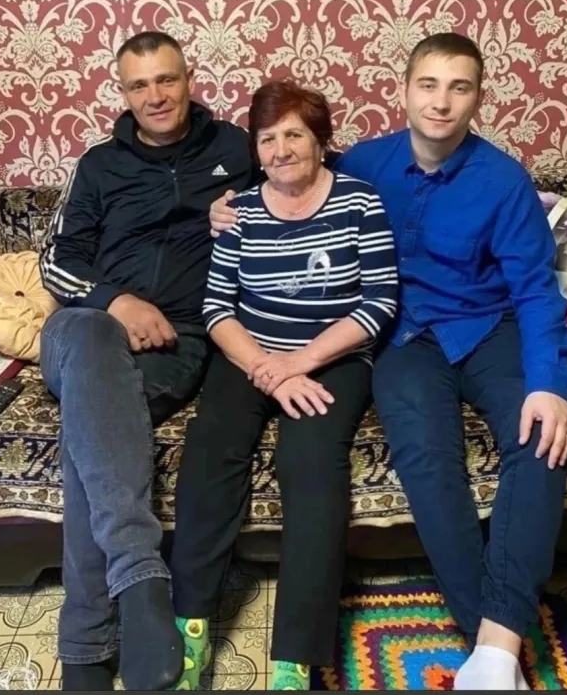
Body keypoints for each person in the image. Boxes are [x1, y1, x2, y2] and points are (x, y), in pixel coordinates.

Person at [210, 33, 567, 693]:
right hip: (404, 339)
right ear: (404, 91)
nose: (441, 102)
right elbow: (290, 164)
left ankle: (495, 647)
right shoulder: (365, 164)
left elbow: (534, 290)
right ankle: (494, 653)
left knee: (542, 437)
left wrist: (551, 384)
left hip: (486, 328)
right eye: (428, 85)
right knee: (426, 459)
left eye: (459, 87)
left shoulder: (504, 181)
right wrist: (228, 203)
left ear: (478, 98)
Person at [39, 31, 254, 693]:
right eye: (139, 85)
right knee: (91, 345)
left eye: (166, 79)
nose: (155, 95)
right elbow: (55, 262)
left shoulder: (237, 151)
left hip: (177, 343)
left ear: (189, 79)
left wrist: (248, 217)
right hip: (84, 330)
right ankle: (139, 574)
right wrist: (117, 300)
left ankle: (85, 643)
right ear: (123, 93)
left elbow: (306, 184)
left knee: (91, 434)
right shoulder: (99, 165)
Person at [170, 80, 399, 691]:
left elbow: (380, 301)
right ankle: (190, 626)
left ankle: (295, 658)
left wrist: (300, 362)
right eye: (267, 139)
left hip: (333, 357)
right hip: (250, 354)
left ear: (320, 140)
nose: (280, 150)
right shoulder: (239, 211)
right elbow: (217, 308)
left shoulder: (359, 202)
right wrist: (265, 367)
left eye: (294, 134)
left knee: (311, 459)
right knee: (211, 445)